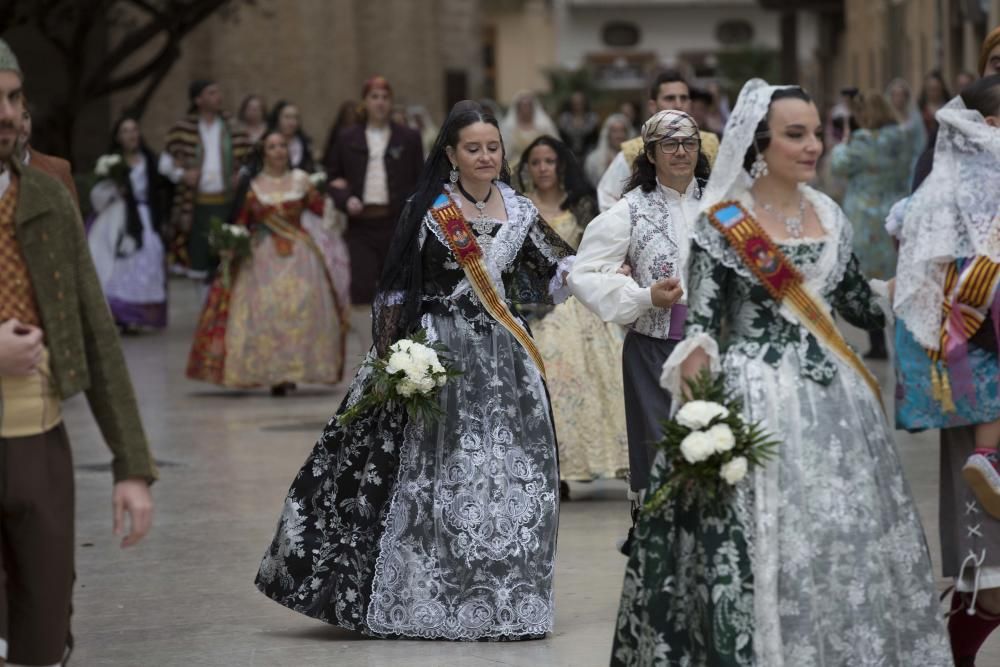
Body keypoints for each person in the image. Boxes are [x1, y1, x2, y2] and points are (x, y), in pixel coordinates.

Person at [611, 79, 951, 665]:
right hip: (754, 402)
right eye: (797, 134)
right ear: (760, 144)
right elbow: (705, 330)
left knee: (839, 543)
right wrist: (698, 424)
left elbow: (858, 307)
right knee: (758, 546)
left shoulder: (830, 214)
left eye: (818, 133)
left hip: (835, 410)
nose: (814, 145)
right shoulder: (724, 224)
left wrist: (921, 272)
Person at [256, 100, 575, 640]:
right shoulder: (427, 209)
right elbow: (396, 289)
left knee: (502, 480)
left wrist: (616, 276)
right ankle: (427, 592)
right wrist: (396, 361)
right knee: (431, 475)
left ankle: (504, 599)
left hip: (504, 363)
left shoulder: (519, 211)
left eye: (493, 147)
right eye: (472, 148)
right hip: (436, 356)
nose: (484, 156)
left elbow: (558, 269)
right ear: (450, 153)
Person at [0, 39, 156, 667]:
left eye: (13, 99)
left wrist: (131, 467)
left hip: (39, 441)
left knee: (44, 621)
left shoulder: (47, 198)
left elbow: (96, 331)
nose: (7, 114)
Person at [890, 74, 1000, 666]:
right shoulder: (952, 184)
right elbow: (929, 269)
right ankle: (970, 615)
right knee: (989, 550)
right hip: (980, 355)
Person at [570, 110, 708, 533]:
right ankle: (659, 553)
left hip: (717, 351)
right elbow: (584, 274)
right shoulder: (629, 211)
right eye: (669, 144)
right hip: (654, 352)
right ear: (650, 153)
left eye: (688, 142)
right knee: (662, 460)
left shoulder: (725, 206)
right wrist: (644, 296)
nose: (681, 151)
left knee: (717, 453)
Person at [186, 130, 348, 395]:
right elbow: (240, 222)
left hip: (301, 256)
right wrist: (231, 243)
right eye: (272, 146)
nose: (278, 150)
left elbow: (323, 212)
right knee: (266, 311)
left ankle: (292, 370)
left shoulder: (301, 181)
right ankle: (273, 373)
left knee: (300, 309)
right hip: (261, 256)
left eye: (282, 145)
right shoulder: (253, 186)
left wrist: (336, 206)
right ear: (264, 153)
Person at [517, 135, 626, 496]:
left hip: (578, 303)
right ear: (527, 168)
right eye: (536, 162)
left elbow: (598, 248)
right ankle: (555, 469)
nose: (543, 168)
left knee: (593, 378)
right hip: (535, 308)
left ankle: (607, 459)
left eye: (549, 161)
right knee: (550, 383)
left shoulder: (580, 205)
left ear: (560, 165)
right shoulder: (518, 208)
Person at [830, 90, 914, 359]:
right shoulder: (901, 137)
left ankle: (876, 341)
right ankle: (903, 339)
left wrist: (845, 138)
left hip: (864, 218)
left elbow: (837, 164)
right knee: (899, 278)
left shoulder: (862, 141)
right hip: (896, 213)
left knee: (867, 280)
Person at [327, 76, 423, 306]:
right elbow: (332, 178)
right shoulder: (347, 137)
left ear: (391, 102)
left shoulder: (408, 137)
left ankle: (394, 340)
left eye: (385, 97)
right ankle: (364, 342)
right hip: (360, 226)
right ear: (365, 102)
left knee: (397, 288)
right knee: (360, 288)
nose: (380, 102)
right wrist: (345, 198)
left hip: (395, 224)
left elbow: (419, 180)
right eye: (374, 97)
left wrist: (411, 214)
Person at [160, 79, 252, 278]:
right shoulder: (183, 128)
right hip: (195, 206)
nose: (218, 97)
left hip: (228, 202)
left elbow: (250, 160)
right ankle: (203, 306)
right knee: (198, 261)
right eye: (211, 93)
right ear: (198, 99)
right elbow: (164, 164)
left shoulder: (232, 126)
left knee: (227, 260)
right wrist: (183, 175)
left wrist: (241, 175)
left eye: (218, 92)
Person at [87, 115, 169, 331]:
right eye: (125, 130)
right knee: (117, 262)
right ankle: (118, 315)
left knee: (148, 257)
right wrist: (116, 188)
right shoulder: (112, 162)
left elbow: (161, 189)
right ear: (118, 136)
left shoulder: (149, 159)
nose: (131, 135)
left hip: (144, 217)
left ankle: (140, 316)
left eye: (134, 130)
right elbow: (97, 194)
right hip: (119, 216)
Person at [597, 70, 720, 211]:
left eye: (684, 98)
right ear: (652, 106)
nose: (678, 105)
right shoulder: (631, 150)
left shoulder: (711, 143)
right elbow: (607, 200)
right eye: (670, 98)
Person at [16, 102, 78, 203]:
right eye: (13, 119)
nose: (22, 126)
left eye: (25, 117)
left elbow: (72, 217)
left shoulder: (58, 169)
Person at [500, 90, 558, 167]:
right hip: (515, 168)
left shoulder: (544, 126)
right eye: (523, 105)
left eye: (528, 105)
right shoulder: (508, 127)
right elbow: (504, 153)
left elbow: (555, 147)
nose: (526, 109)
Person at [886, 77, 927, 177]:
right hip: (890, 165)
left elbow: (920, 141)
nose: (899, 98)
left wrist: (916, 162)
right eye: (895, 95)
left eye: (901, 95)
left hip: (911, 164)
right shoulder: (886, 118)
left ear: (906, 97)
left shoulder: (914, 118)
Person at [583, 113, 634, 187]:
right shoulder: (593, 160)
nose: (619, 135)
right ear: (607, 134)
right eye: (614, 131)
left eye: (622, 131)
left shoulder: (636, 157)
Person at [269, 100, 317, 173]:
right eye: (287, 117)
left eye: (295, 118)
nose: (292, 122)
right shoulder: (268, 141)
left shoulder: (305, 142)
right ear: (277, 119)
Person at [557, 89, 600, 160]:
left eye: (580, 102)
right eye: (575, 102)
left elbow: (595, 140)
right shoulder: (564, 119)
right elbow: (561, 139)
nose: (577, 104)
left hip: (588, 156)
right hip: (568, 155)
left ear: (585, 102)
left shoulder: (592, 118)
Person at [321, 100, 361, 173]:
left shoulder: (362, 133)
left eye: (353, 114)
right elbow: (328, 156)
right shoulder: (338, 132)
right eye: (348, 115)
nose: (351, 117)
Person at [919, 70, 951, 137]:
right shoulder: (920, 108)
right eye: (930, 89)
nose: (933, 93)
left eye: (936, 89)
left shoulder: (949, 108)